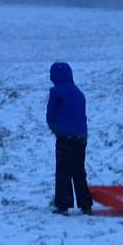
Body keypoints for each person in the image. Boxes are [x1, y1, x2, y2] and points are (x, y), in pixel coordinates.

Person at [46, 61, 92, 215]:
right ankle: (86, 205)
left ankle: (63, 205)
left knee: (63, 170)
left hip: (65, 136)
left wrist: (53, 127)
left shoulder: (56, 91)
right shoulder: (78, 92)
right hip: (81, 136)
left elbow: (51, 113)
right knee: (79, 170)